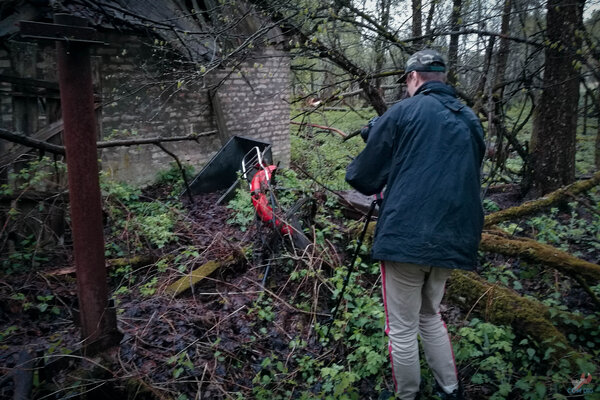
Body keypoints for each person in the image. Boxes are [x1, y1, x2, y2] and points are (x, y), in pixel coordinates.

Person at [345, 49, 485, 400]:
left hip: (406, 236)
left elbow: (362, 178)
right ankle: (450, 389)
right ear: (442, 77)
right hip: (454, 237)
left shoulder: (404, 111)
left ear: (413, 78)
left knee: (403, 329)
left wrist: (381, 141)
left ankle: (406, 395)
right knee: (430, 314)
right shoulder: (469, 118)